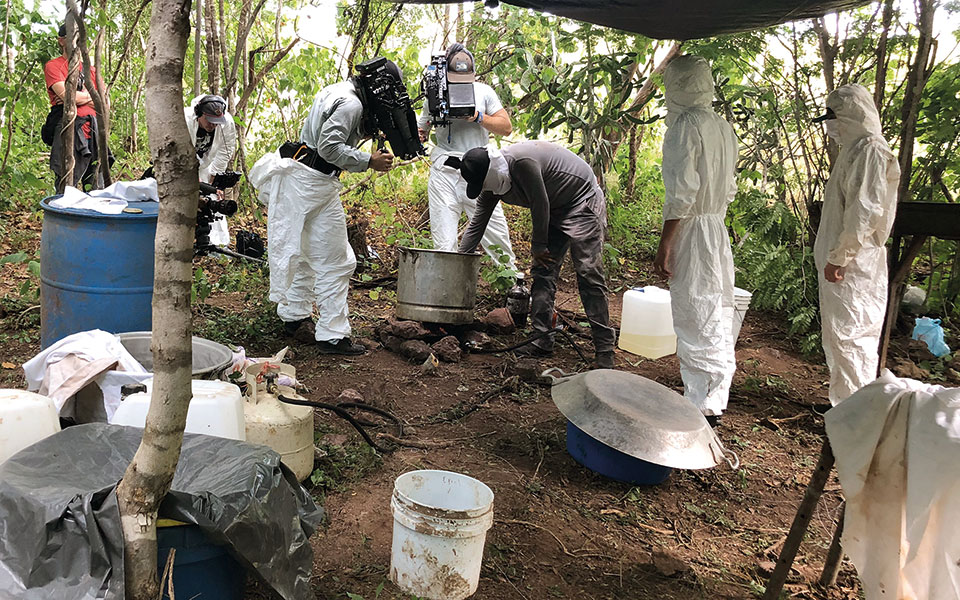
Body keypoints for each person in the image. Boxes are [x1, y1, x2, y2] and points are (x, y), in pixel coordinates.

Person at [249, 59, 398, 355]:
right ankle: (332, 335)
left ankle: (294, 317)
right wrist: (369, 160)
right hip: (309, 182)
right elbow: (329, 148)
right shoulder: (351, 104)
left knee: (304, 253)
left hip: (306, 180)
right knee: (336, 261)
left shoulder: (339, 91)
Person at [448, 141, 616, 368]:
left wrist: (538, 247)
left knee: (588, 273)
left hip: (581, 200)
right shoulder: (491, 185)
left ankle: (604, 349)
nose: (485, 189)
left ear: (490, 173)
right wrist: (458, 262)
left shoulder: (522, 164)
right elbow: (477, 224)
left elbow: (539, 202)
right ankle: (541, 339)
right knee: (543, 272)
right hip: (554, 208)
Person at [653, 55, 738, 425]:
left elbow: (683, 192)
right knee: (716, 308)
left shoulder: (685, 126)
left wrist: (666, 243)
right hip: (716, 226)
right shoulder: (722, 126)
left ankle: (702, 405)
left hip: (693, 229)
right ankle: (714, 395)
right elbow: (729, 188)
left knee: (695, 311)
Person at [812, 83, 899, 405]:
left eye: (833, 118)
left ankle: (855, 410)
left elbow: (864, 210)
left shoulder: (870, 150)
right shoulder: (856, 149)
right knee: (841, 336)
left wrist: (841, 256)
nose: (831, 126)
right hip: (847, 259)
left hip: (856, 263)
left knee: (852, 336)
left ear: (850, 116)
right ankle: (847, 406)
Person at [417, 43, 517, 270]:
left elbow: (506, 127)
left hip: (480, 171)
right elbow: (422, 128)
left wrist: (479, 117)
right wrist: (418, 135)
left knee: (497, 238)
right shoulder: (434, 95)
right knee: (444, 243)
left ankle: (511, 283)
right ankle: (447, 287)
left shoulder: (483, 92)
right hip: (445, 171)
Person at [43, 23, 106, 190]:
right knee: (66, 184)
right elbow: (67, 96)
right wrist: (91, 96)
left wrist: (77, 97)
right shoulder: (53, 66)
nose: (77, 41)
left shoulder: (91, 70)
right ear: (61, 41)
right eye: (73, 36)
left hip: (93, 132)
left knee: (96, 186)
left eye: (80, 37)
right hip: (68, 132)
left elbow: (104, 102)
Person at [184, 94, 238, 247]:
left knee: (212, 200)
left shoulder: (226, 123)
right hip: (183, 164)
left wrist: (215, 174)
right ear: (199, 113)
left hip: (207, 163)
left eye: (216, 122)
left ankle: (215, 243)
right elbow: (181, 151)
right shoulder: (185, 119)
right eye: (209, 121)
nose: (213, 125)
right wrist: (192, 176)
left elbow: (226, 149)